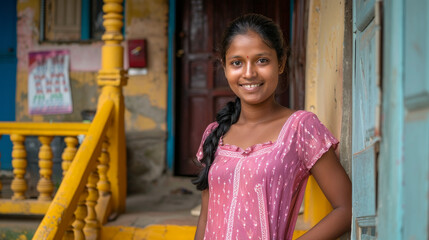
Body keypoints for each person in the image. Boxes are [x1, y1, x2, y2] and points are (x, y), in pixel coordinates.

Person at [192, 13, 351, 240]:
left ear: (281, 63)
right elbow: (206, 218)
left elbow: (346, 208)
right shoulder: (215, 133)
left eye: (262, 60)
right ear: (224, 67)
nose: (249, 73)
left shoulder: (300, 128)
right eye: (237, 62)